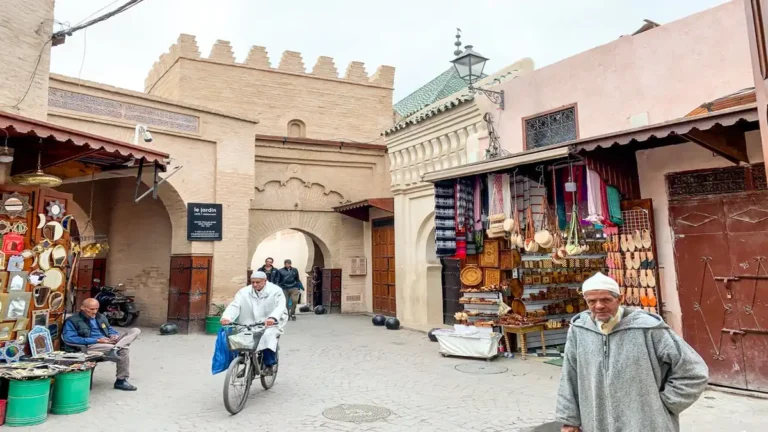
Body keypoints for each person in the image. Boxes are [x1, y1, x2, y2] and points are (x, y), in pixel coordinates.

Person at [556, 272, 708, 432]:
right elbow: (569, 376)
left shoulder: (648, 328)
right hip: (596, 423)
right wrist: (569, 420)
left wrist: (663, 404)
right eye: (592, 301)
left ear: (620, 299)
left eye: (606, 299)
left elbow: (693, 371)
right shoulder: (580, 331)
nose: (599, 306)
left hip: (646, 424)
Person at [62, 298, 142, 391]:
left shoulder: (100, 317)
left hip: (108, 341)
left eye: (97, 309)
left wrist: (113, 335)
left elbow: (109, 329)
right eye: (91, 309)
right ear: (83, 307)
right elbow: (69, 338)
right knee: (124, 350)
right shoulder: (73, 320)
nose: (95, 311)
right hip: (92, 345)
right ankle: (121, 380)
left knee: (135, 331)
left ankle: (116, 348)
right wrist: (97, 340)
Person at [220, 271, 287, 375]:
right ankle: (246, 364)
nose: (255, 285)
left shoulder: (275, 291)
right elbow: (235, 305)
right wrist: (227, 317)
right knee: (241, 339)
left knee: (268, 337)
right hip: (250, 321)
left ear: (265, 281)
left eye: (258, 282)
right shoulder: (244, 292)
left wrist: (273, 318)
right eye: (253, 282)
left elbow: (280, 306)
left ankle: (269, 365)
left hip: (270, 321)